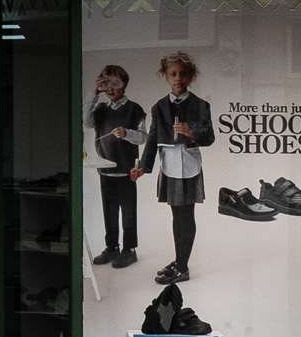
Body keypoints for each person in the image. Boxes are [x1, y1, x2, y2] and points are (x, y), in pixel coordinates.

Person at [133, 51, 215, 285]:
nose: (178, 78)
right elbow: (153, 138)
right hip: (168, 165)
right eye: (173, 74)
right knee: (176, 215)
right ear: (166, 77)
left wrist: (192, 132)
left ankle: (182, 267)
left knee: (186, 216)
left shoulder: (200, 105)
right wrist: (143, 167)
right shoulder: (159, 107)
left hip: (189, 165)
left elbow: (209, 138)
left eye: (183, 74)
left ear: (191, 77)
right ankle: (180, 261)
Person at [88, 64, 146, 268]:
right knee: (109, 211)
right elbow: (84, 121)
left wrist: (127, 133)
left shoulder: (134, 109)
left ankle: (129, 250)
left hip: (126, 170)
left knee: (128, 211)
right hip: (106, 170)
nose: (110, 89)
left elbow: (143, 138)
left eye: (115, 84)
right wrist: (94, 93)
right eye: (106, 84)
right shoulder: (100, 109)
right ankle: (111, 247)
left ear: (124, 85)